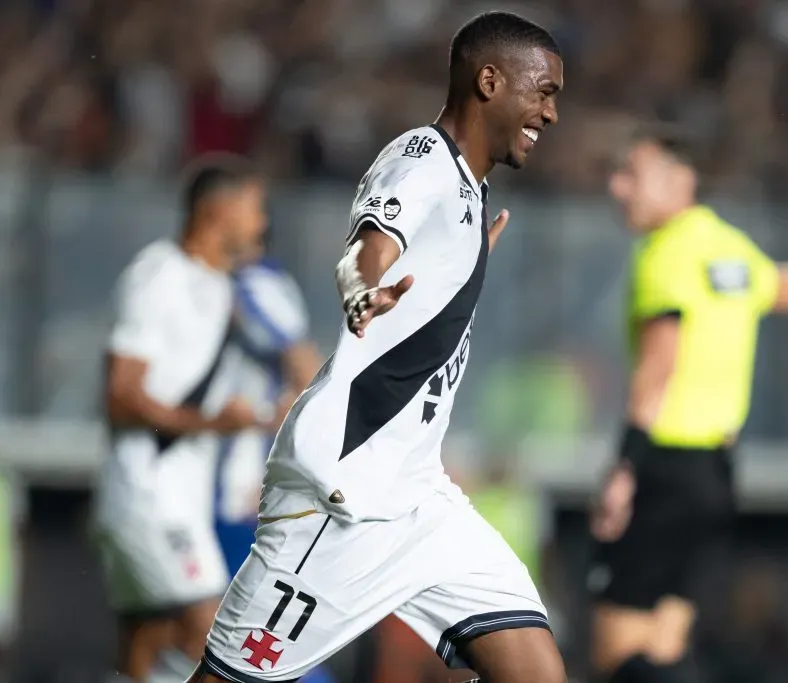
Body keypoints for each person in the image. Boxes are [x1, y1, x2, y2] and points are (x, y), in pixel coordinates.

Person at [189, 11, 566, 683]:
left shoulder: (469, 192)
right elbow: (366, 249)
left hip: (418, 496)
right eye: (544, 91)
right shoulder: (421, 159)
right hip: (342, 498)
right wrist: (361, 289)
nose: (552, 112)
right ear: (489, 80)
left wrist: (461, 270)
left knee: (536, 672)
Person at [589, 132, 788, 683]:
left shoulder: (664, 254)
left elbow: (657, 367)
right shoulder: (725, 245)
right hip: (715, 474)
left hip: (662, 468)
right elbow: (776, 286)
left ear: (681, 181)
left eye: (632, 175)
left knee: (616, 651)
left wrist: (625, 466)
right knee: (666, 645)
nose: (616, 187)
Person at [94, 156, 270, 682]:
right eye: (255, 208)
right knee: (215, 640)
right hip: (148, 492)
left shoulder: (220, 287)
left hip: (177, 497)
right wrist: (214, 425)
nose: (262, 222)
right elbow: (120, 396)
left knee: (143, 655)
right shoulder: (159, 277)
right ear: (221, 210)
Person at [215, 244, 330, 683]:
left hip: (239, 496)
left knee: (255, 644)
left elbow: (305, 370)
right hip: (225, 493)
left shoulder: (255, 281)